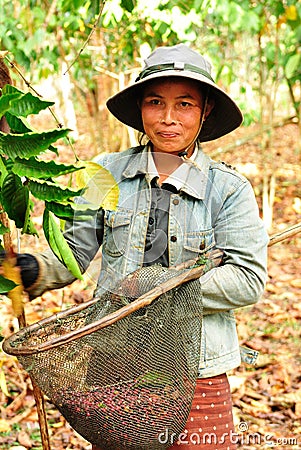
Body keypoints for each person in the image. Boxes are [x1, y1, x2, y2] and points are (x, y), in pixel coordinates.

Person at [16, 44, 269, 449]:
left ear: (204, 111)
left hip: (197, 369)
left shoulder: (229, 189)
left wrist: (154, 288)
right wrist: (31, 270)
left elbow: (247, 280)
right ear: (140, 107)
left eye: (184, 104)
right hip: (114, 362)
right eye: (156, 102)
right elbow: (74, 252)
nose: (168, 118)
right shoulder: (106, 173)